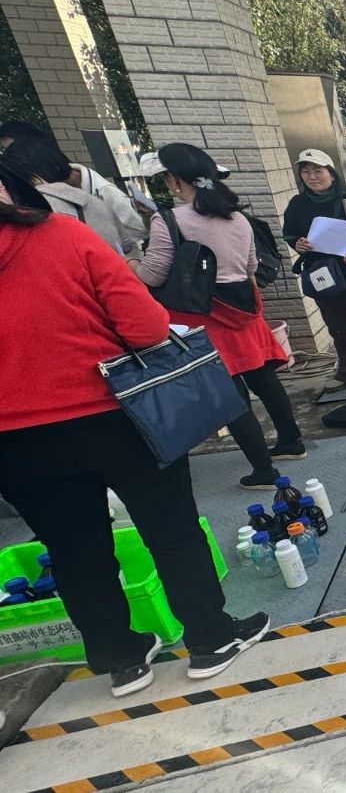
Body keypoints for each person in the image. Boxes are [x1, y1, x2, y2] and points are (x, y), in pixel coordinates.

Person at [0, 163, 268, 698]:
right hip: (116, 415)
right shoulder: (61, 235)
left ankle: (121, 658)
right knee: (171, 530)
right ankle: (211, 638)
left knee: (73, 550)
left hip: (14, 442)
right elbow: (146, 328)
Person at [131, 143, 306, 488]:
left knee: (229, 393)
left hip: (201, 315)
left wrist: (131, 264)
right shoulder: (237, 216)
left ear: (175, 180)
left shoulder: (169, 219)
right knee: (263, 378)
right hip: (243, 306)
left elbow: (153, 274)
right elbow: (252, 266)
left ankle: (264, 471)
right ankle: (291, 441)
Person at [282, 149, 346, 392]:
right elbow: (290, 234)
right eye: (306, 172)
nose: (312, 177)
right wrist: (297, 243)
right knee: (337, 329)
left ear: (331, 173)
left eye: (318, 171)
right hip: (321, 277)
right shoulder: (297, 204)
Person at [0, 120, 145, 247]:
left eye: (10, 149)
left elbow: (136, 233)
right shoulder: (49, 195)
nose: (9, 156)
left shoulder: (102, 191)